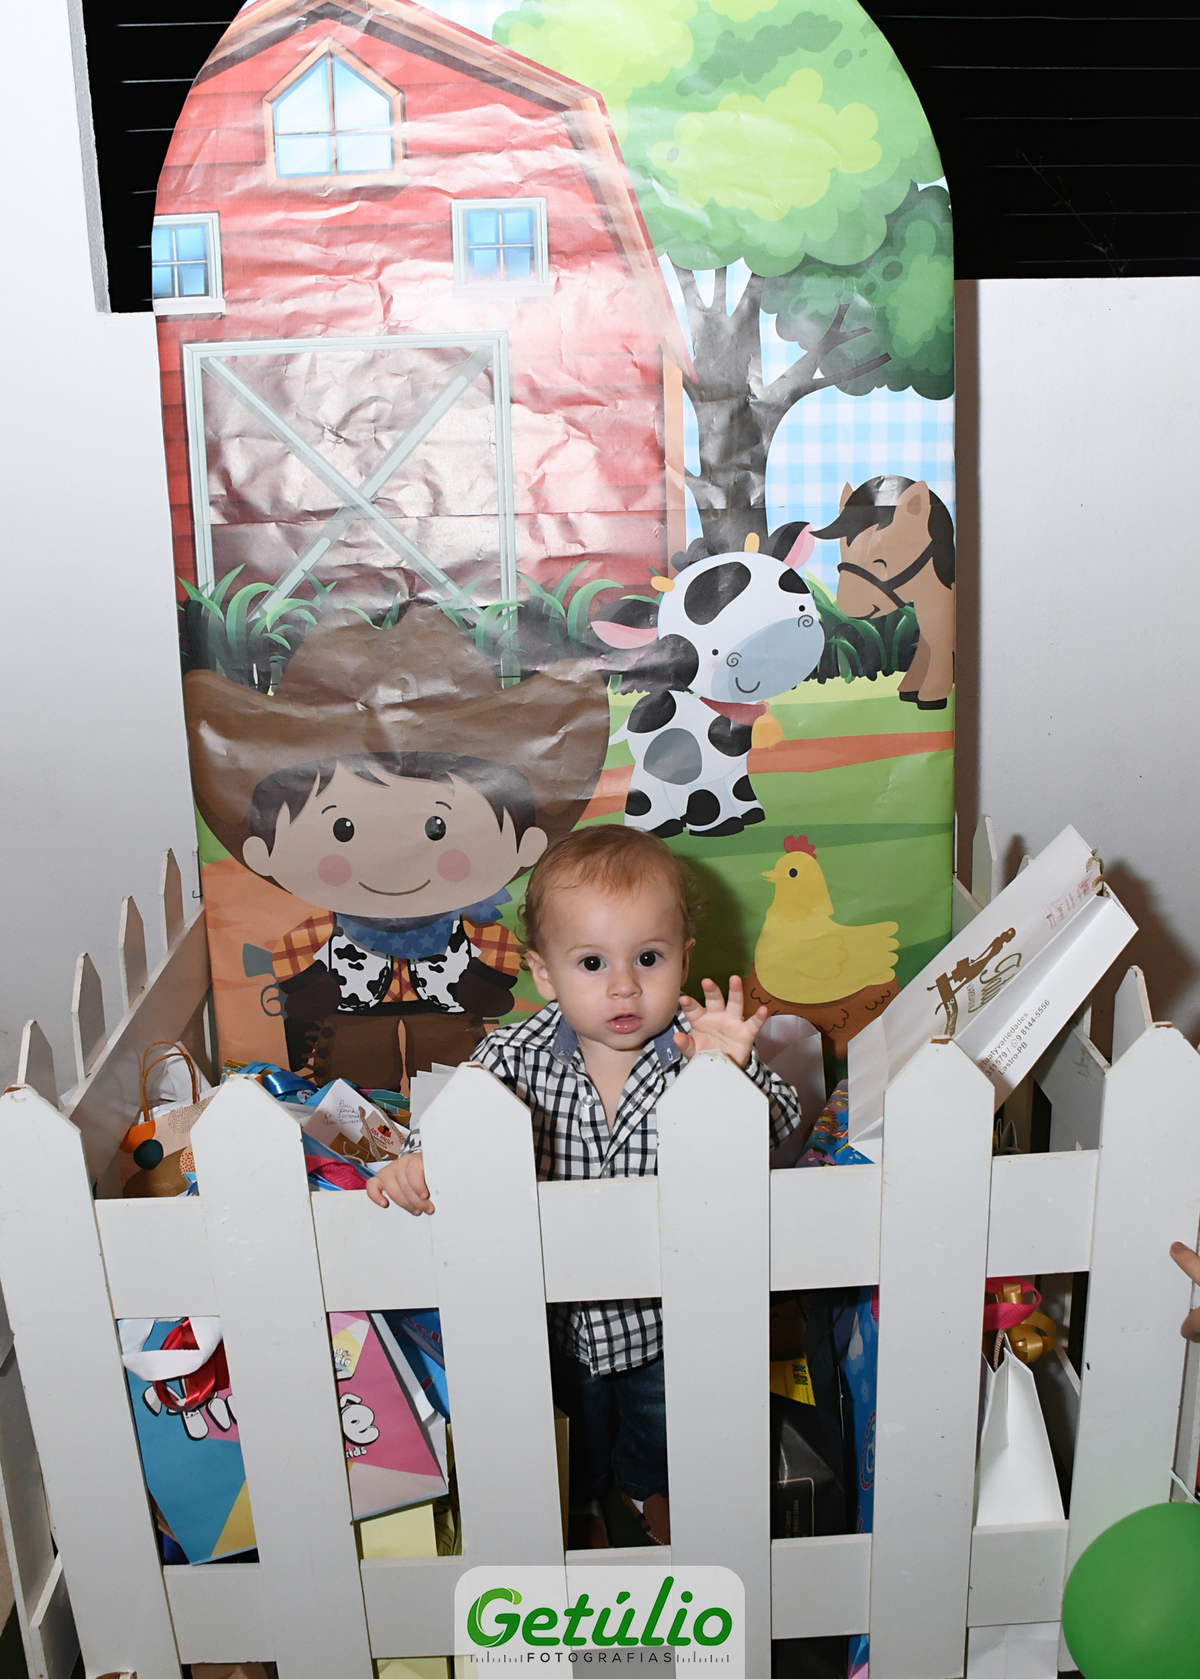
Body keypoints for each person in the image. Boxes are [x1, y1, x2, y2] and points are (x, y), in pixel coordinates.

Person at [368, 824, 801, 1547]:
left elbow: (779, 1125)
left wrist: (733, 1071)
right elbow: (454, 1121)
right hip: (553, 1321)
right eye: (593, 962)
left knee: (664, 1427)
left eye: (649, 958)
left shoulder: (696, 1052)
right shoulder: (514, 1053)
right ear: (545, 975)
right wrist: (419, 1159)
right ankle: (587, 1502)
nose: (624, 985)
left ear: (685, 956)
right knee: (575, 1434)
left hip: (668, 1315)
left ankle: (646, 1488)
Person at [183, 606, 610, 1087]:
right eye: (342, 829)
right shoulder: (320, 932)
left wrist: (484, 983)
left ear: (525, 844)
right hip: (352, 1024)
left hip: (450, 1024)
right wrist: (311, 988)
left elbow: (500, 958)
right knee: (350, 1071)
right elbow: (295, 957)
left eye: (437, 827)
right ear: (264, 850)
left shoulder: (475, 930)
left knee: (459, 1073)